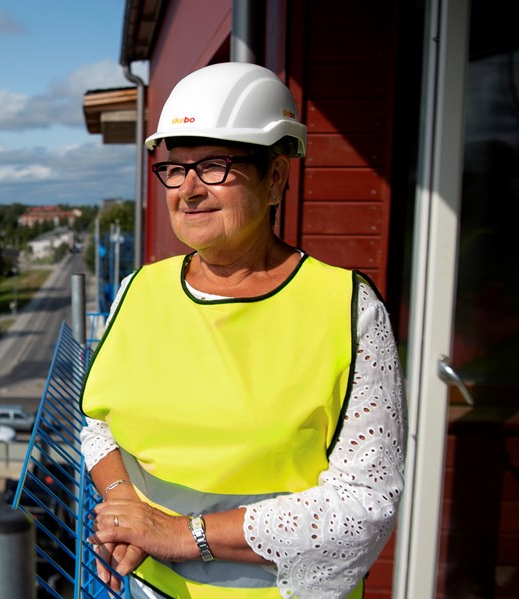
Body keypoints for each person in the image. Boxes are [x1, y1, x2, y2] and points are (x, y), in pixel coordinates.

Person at [80, 62, 406, 599]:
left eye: (213, 166)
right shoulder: (137, 290)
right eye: (174, 169)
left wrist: (181, 535)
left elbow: (363, 504)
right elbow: (101, 426)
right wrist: (122, 505)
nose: (188, 189)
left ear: (276, 177)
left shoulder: (349, 311)